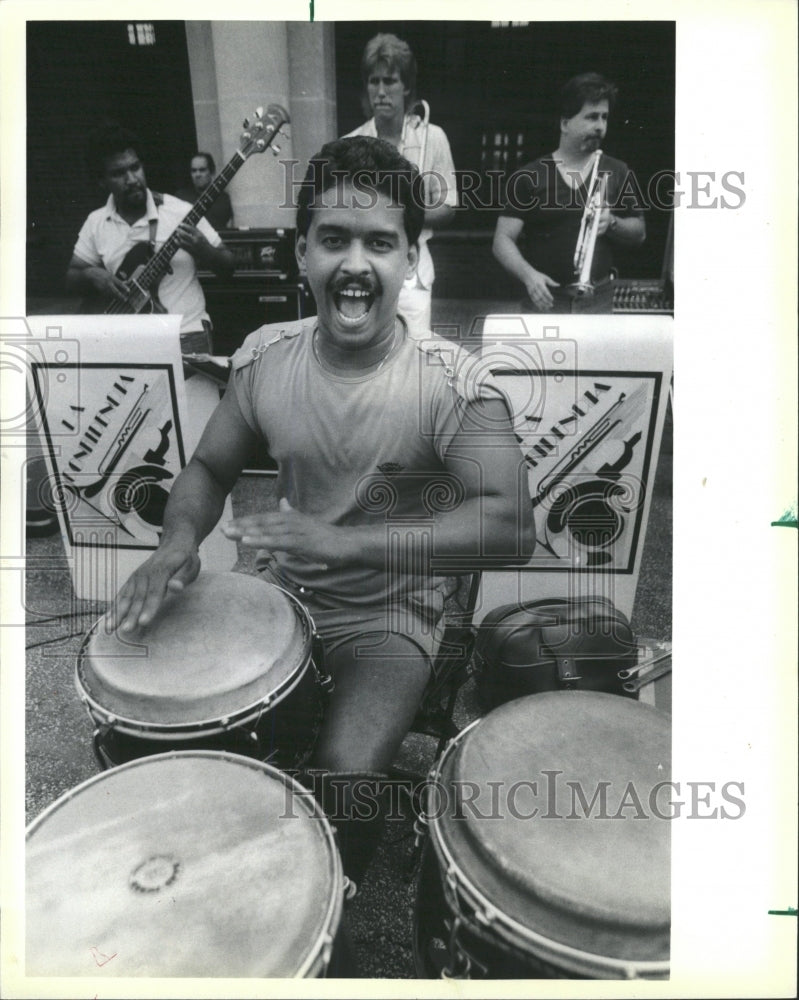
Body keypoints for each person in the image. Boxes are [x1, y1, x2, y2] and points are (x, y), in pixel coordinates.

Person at [109, 137, 534, 939]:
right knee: (172, 734)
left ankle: (314, 928)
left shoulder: (454, 381)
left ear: (412, 256)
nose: (353, 263)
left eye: (379, 242)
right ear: (301, 250)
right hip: (273, 589)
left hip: (386, 612)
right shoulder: (266, 356)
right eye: (333, 238)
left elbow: (511, 523)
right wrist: (176, 543)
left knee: (345, 777)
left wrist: (354, 546)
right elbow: (206, 467)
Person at [66, 123, 235, 354]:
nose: (132, 178)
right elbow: (72, 277)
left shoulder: (180, 211)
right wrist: (93, 275)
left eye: (135, 167)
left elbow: (229, 267)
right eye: (118, 173)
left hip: (187, 335)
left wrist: (204, 249)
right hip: (130, 342)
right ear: (101, 181)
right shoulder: (96, 222)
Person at [492, 72, 646, 313]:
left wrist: (612, 222)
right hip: (545, 300)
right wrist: (529, 276)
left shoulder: (617, 170)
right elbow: (502, 240)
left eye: (604, 118)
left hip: (599, 301)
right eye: (591, 117)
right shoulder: (530, 175)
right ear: (565, 123)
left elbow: (639, 232)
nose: (600, 126)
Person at [344, 33, 457, 332]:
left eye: (390, 81)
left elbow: (448, 206)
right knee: (365, 353)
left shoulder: (434, 137)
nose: (380, 91)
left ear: (406, 86)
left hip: (413, 268)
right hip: (364, 265)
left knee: (413, 354)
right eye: (373, 81)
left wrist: (402, 213)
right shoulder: (349, 144)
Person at [175, 151, 233, 230]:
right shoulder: (181, 197)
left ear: (212, 172)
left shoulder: (223, 199)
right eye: (194, 171)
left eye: (202, 170)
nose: (197, 174)